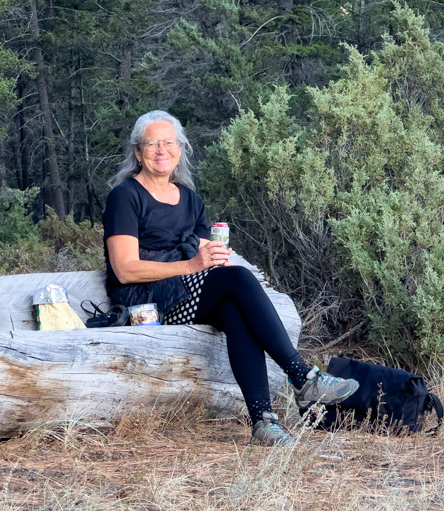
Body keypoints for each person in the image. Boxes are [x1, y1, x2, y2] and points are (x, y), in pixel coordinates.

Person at [103, 110, 358, 446]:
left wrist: (210, 257)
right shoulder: (126, 196)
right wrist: (195, 265)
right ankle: (302, 376)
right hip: (146, 302)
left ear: (180, 149)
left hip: (186, 292)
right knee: (238, 279)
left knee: (235, 314)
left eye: (169, 142)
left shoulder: (190, 200)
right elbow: (125, 269)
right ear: (138, 152)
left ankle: (263, 421)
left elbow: (203, 252)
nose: (161, 150)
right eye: (152, 144)